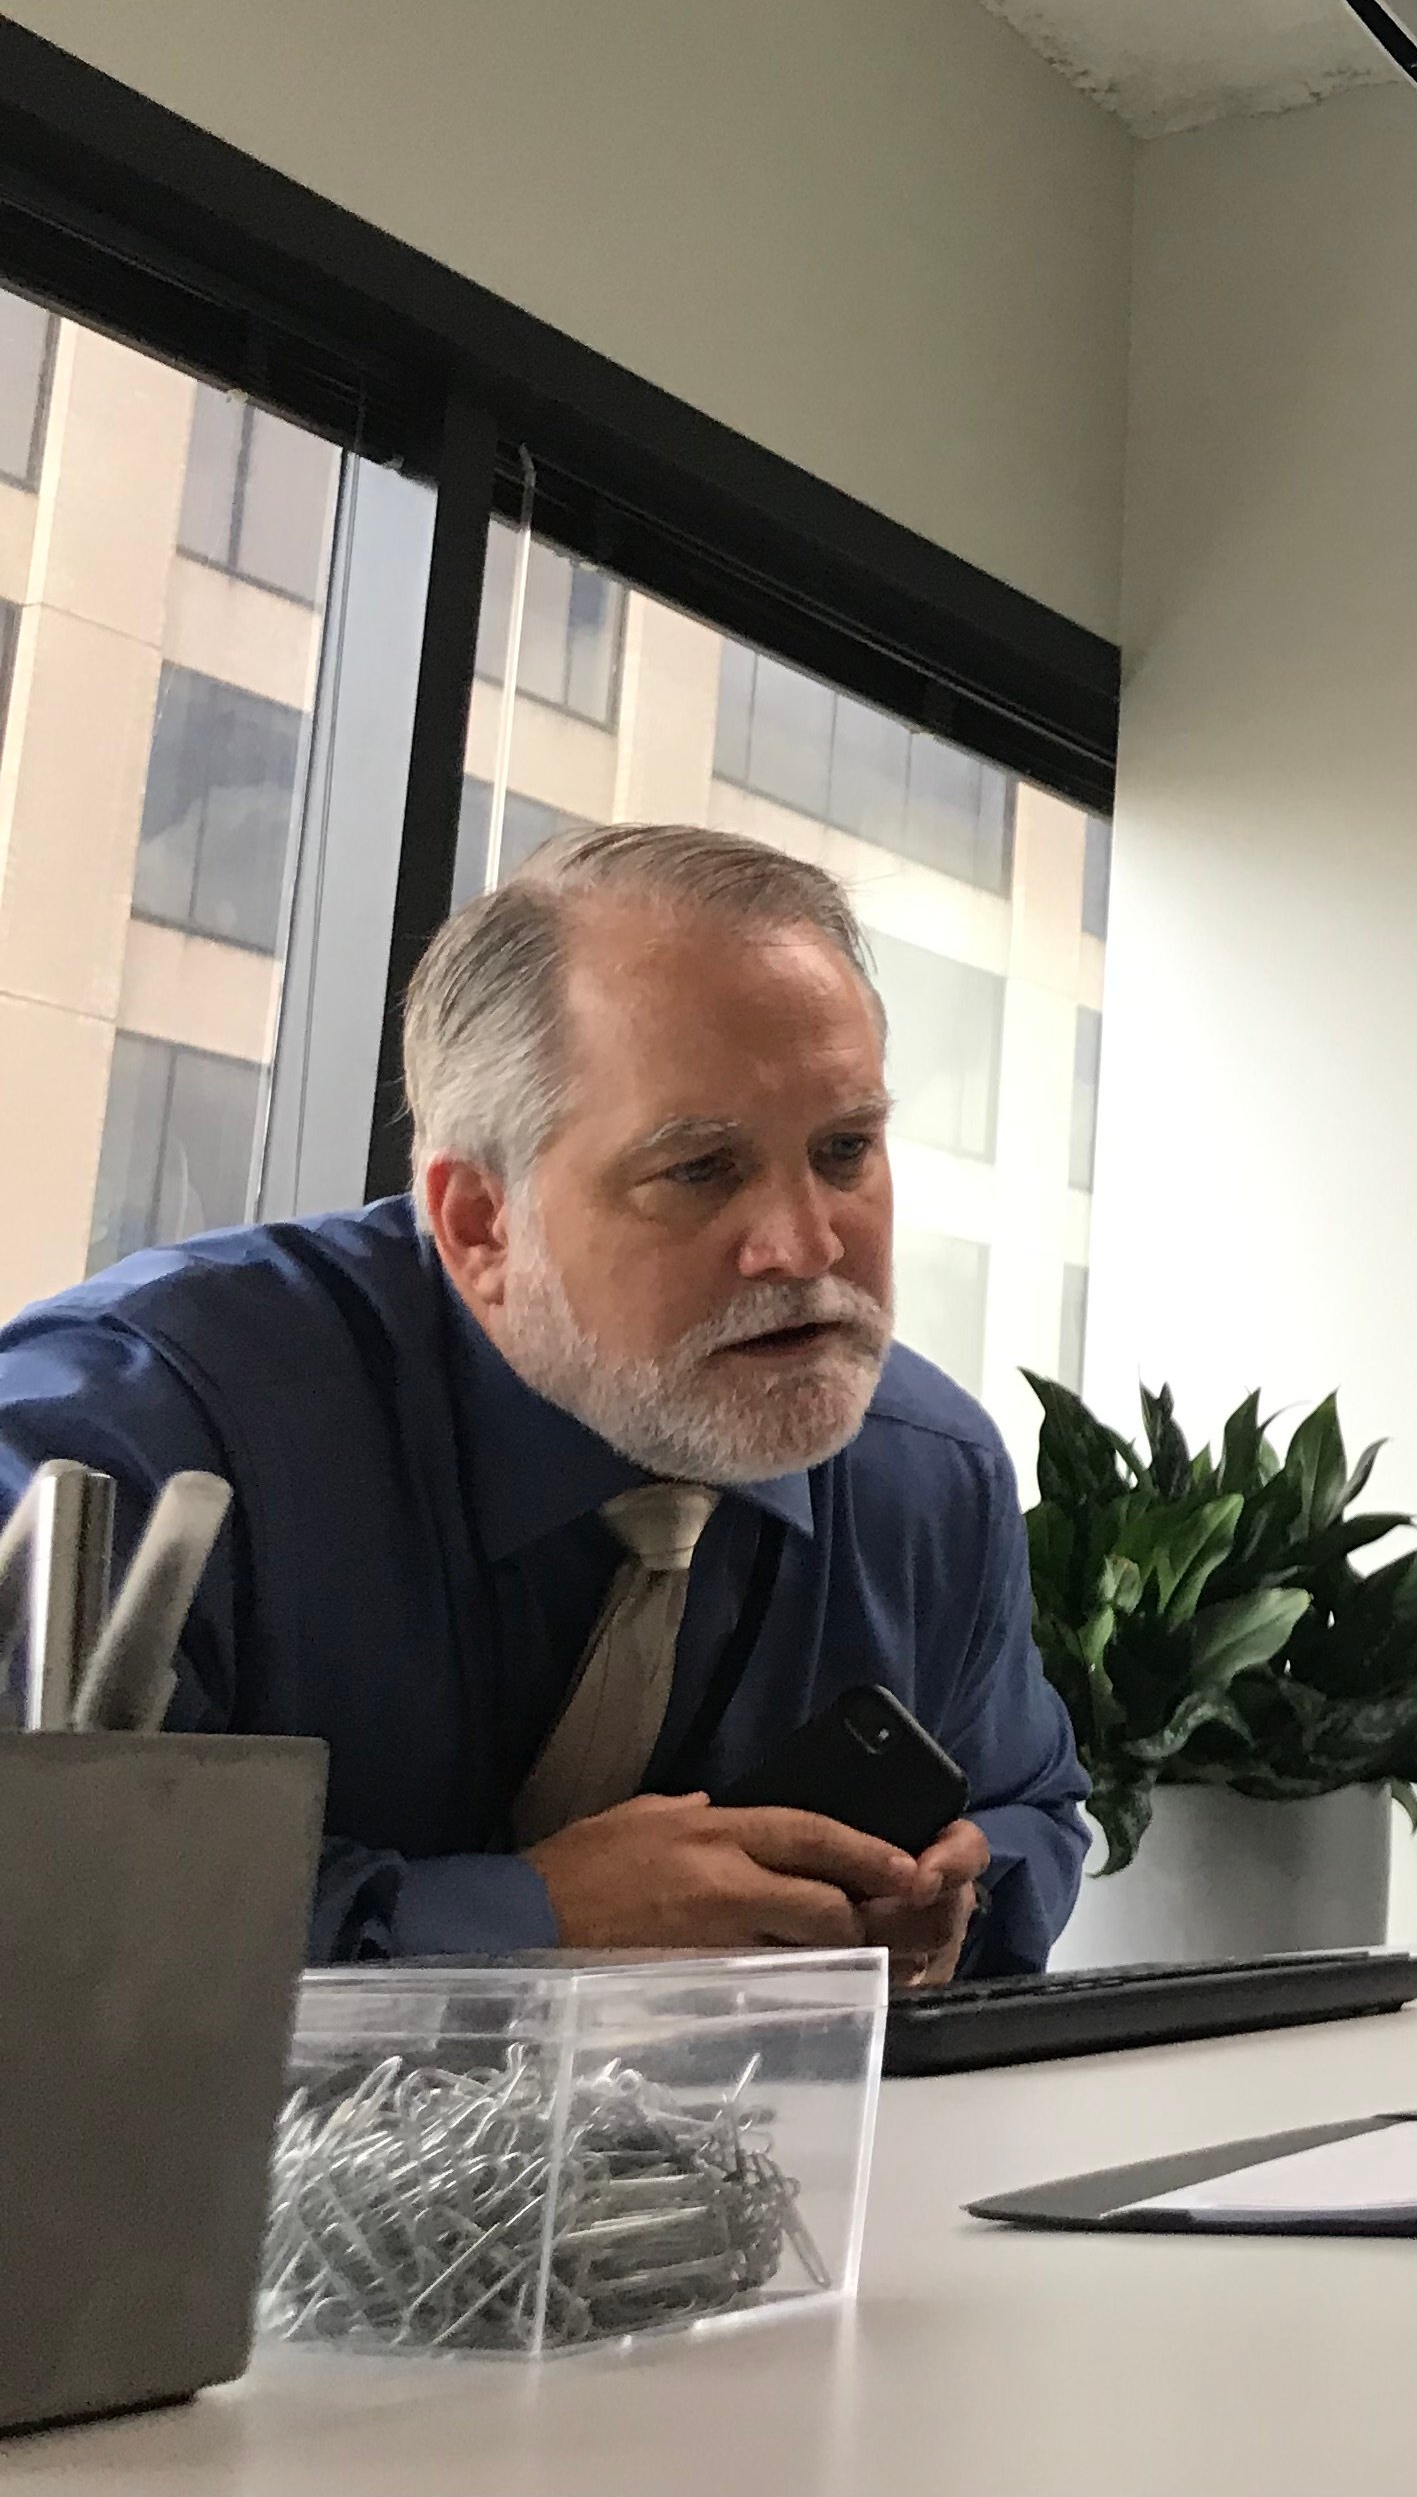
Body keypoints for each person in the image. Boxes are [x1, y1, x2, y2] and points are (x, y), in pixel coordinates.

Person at [0, 823, 1090, 1980]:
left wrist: (943, 1910)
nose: (808, 1243)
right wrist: (531, 1923)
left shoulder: (927, 1474)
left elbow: (1030, 1807)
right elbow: (43, 1925)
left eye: (844, 1149)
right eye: (700, 1168)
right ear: (479, 1221)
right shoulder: (143, 1428)